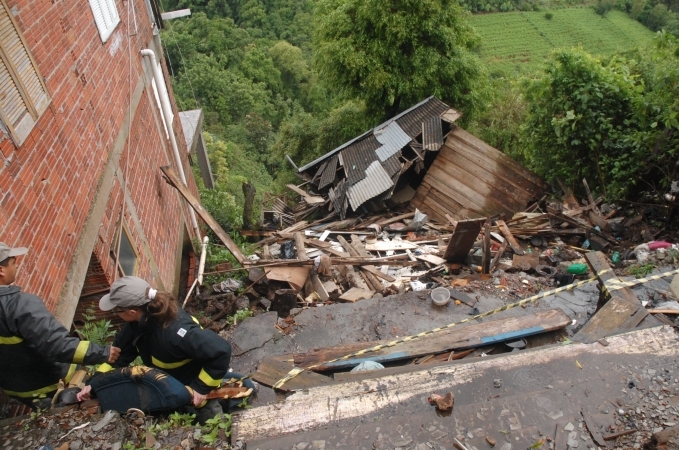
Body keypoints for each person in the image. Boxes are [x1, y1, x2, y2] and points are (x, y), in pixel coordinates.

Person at [80, 276, 233, 422]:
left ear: (132, 311)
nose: (116, 314)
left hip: (198, 392)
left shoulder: (175, 332)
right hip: (171, 384)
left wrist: (201, 388)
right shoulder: (137, 324)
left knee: (211, 424)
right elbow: (120, 355)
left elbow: (221, 350)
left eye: (116, 311)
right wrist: (94, 383)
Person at [0, 242, 120, 409]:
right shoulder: (20, 305)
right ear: (1, 271)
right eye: (13, 263)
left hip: (18, 391)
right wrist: (103, 352)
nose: (17, 265)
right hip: (56, 383)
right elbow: (58, 345)